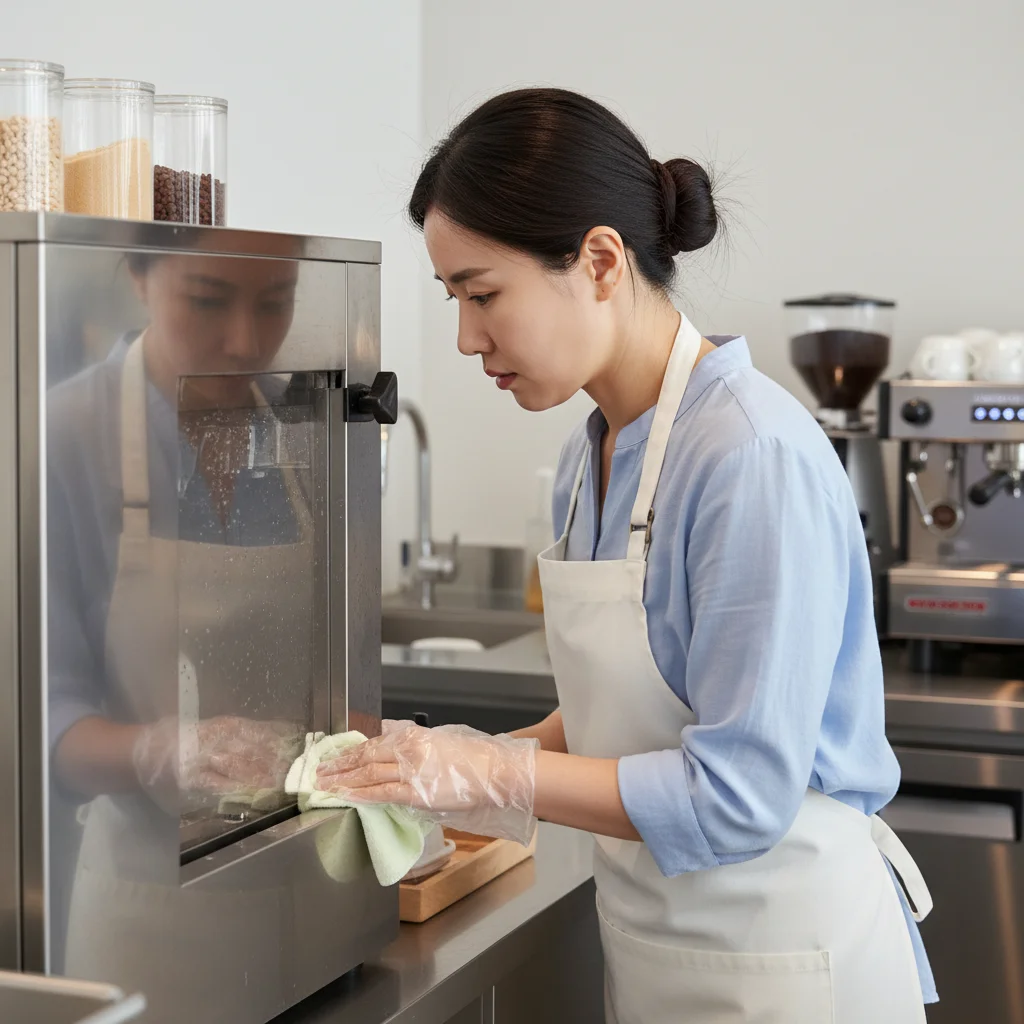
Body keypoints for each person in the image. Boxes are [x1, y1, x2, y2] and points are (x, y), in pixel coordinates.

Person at [316, 87, 936, 1022]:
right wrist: (448, 760)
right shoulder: (590, 451)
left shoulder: (749, 455)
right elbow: (631, 709)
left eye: (483, 294)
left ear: (600, 260)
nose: (465, 337)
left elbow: (738, 795)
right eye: (454, 298)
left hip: (792, 961)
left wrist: (492, 775)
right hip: (658, 952)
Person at [48, 251, 314, 1015]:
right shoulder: (64, 435)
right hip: (142, 907)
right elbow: (37, 718)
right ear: (138, 275)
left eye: (277, 302)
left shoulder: (305, 428)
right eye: (207, 299)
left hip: (302, 896)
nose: (244, 341)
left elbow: (338, 665)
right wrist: (159, 749)